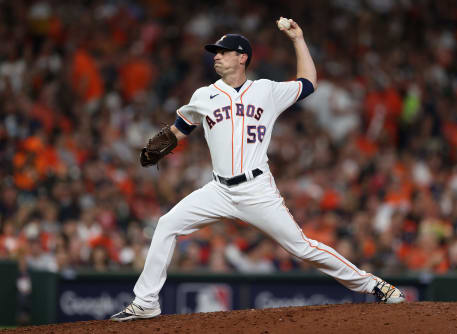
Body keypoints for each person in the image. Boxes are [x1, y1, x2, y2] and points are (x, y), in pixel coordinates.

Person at [111, 17, 405, 321]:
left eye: (223, 52)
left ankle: (375, 285)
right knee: (167, 224)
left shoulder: (266, 91)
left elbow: (308, 83)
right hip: (219, 189)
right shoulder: (203, 95)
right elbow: (180, 128)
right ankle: (146, 301)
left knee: (302, 247)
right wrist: (157, 147)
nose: (216, 56)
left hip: (256, 189)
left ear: (242, 57)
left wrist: (298, 40)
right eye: (216, 52)